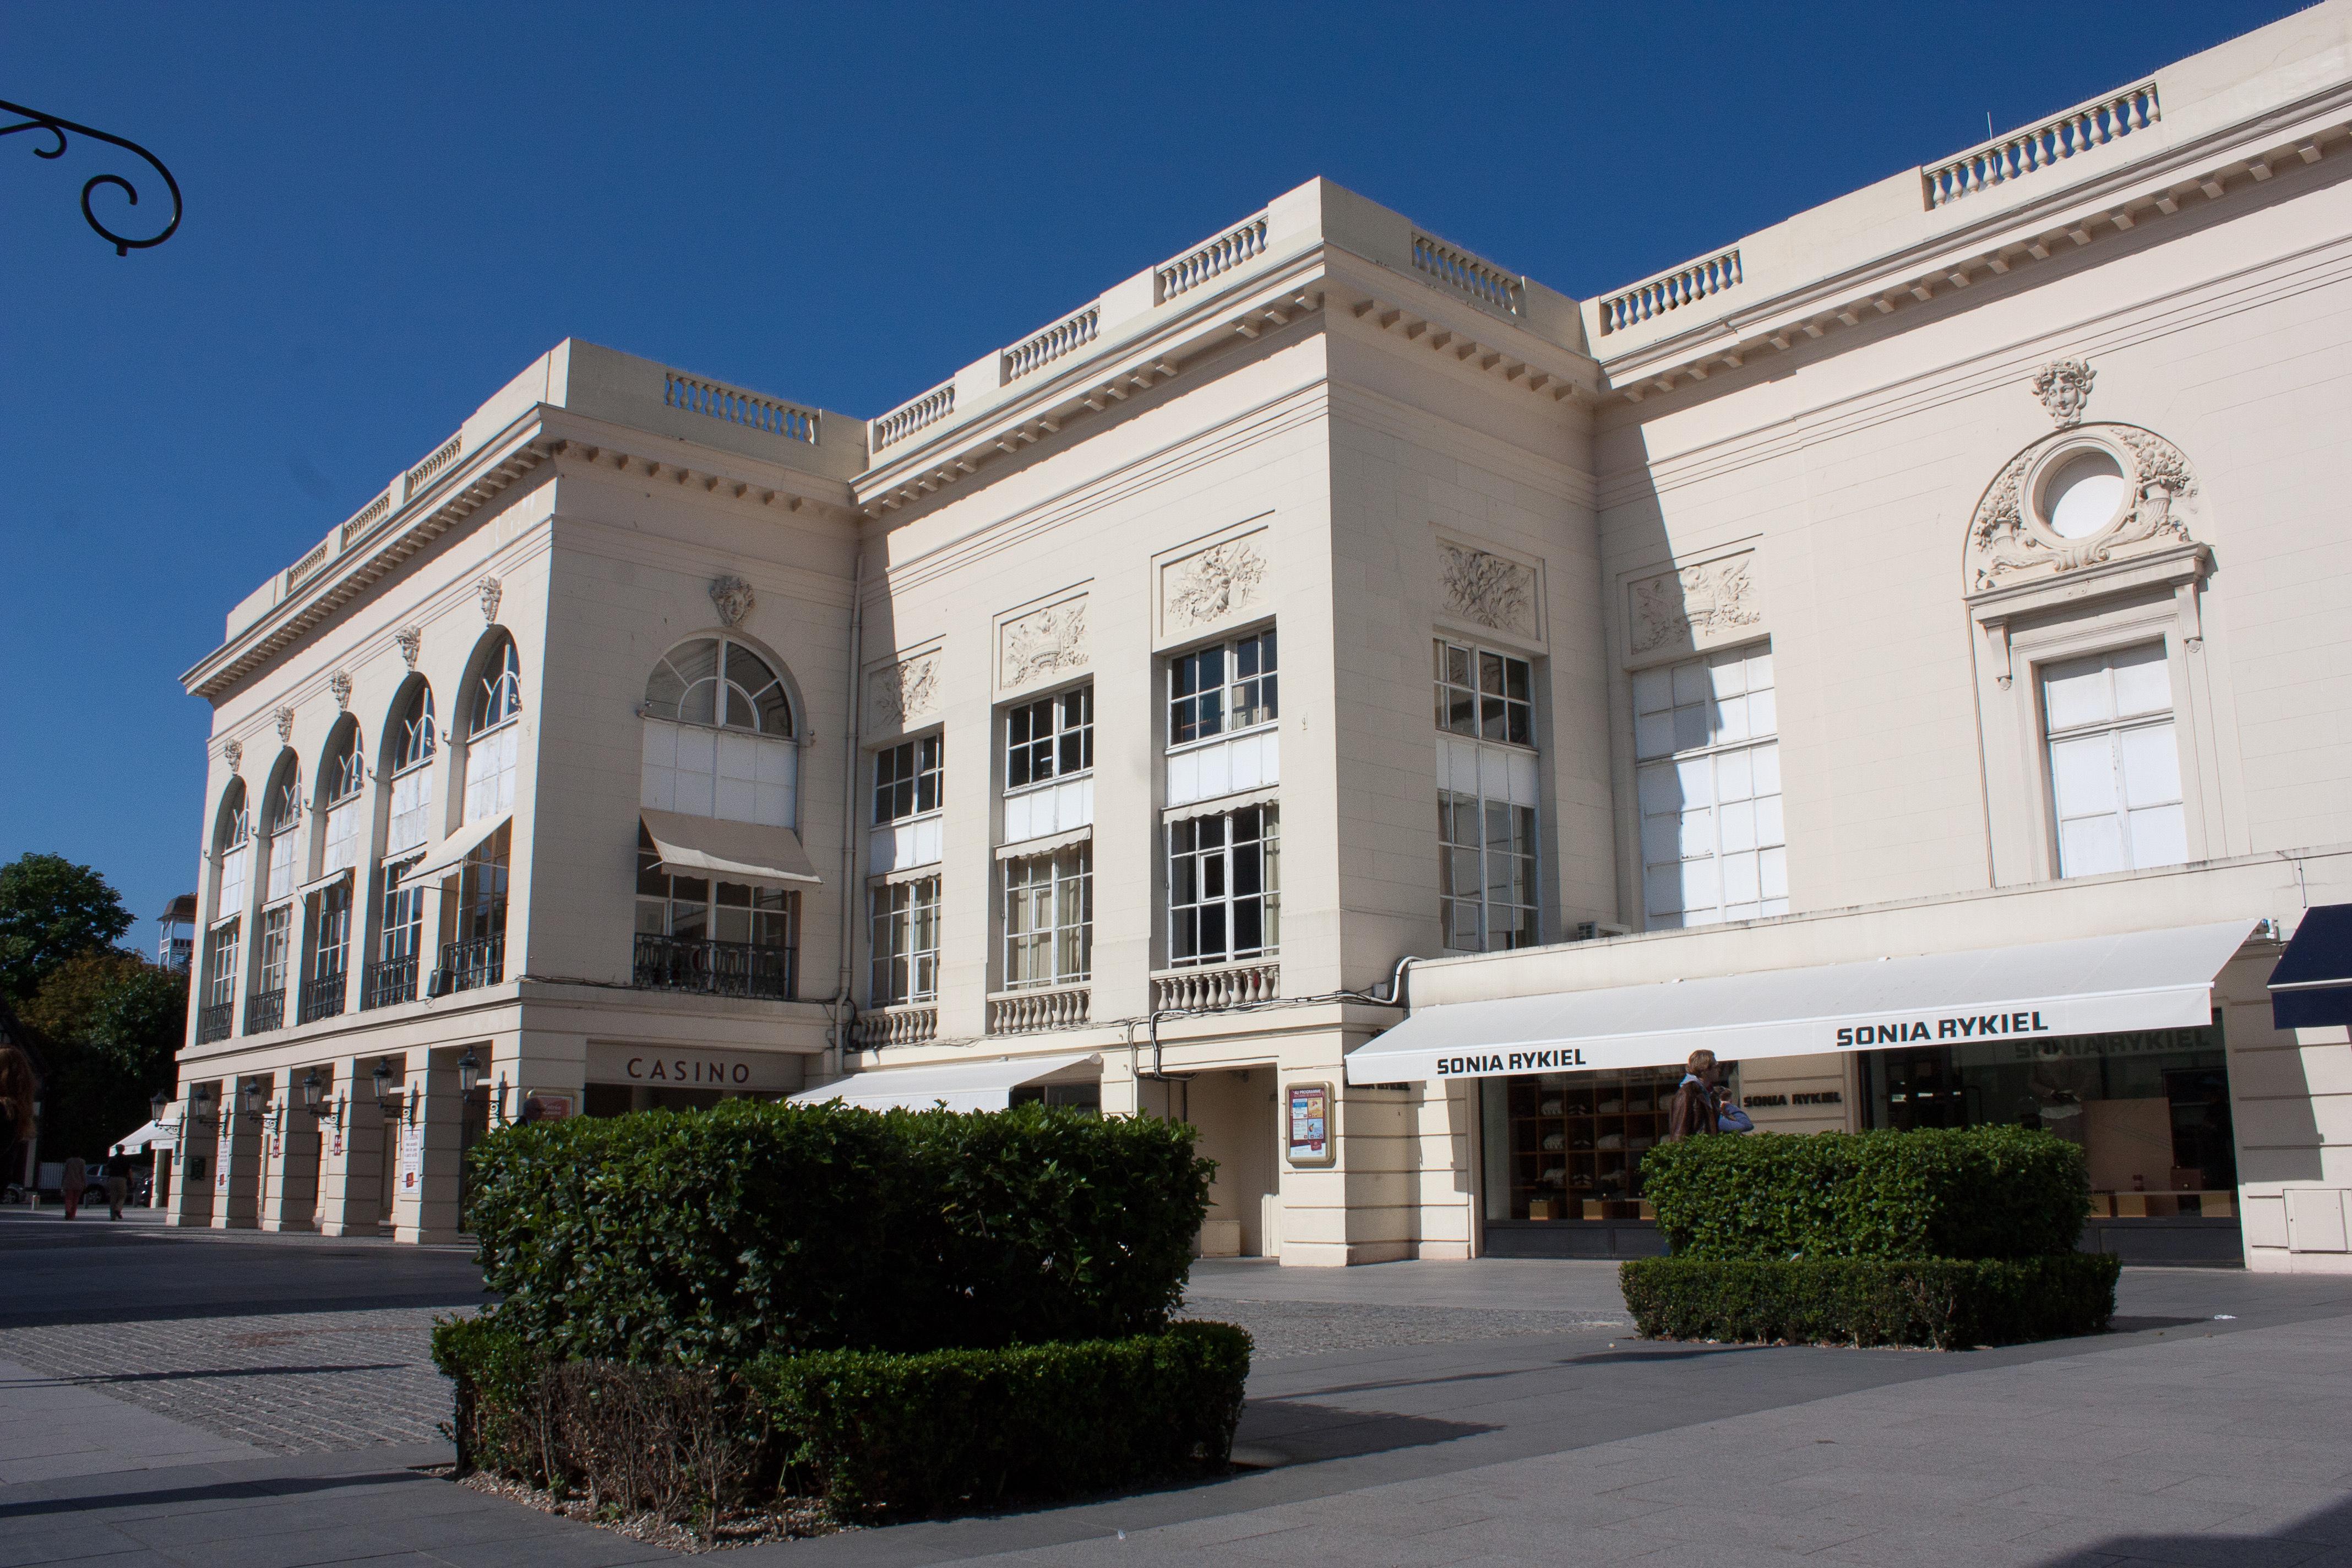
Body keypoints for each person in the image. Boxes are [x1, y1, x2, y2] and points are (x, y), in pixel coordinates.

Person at [1665, 1050, 1719, 1142]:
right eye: (1716, 1066)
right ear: (1705, 1069)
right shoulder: (1687, 1093)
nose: (1719, 1069)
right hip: (1696, 1154)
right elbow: (1679, 1135)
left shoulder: (1708, 1093)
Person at [102, 1150, 134, 1220]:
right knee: (122, 1196)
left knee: (113, 1197)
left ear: (116, 1150)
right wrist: (132, 1181)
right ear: (123, 1150)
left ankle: (113, 1217)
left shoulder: (112, 1159)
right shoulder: (126, 1159)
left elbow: (107, 1170)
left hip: (112, 1179)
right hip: (122, 1179)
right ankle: (118, 1209)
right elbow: (129, 1171)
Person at [60, 1153, 86, 1221]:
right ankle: (72, 1215)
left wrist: (63, 1182)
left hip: (69, 1182)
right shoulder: (82, 1162)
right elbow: (83, 1173)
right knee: (76, 1200)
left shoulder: (69, 1161)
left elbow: (65, 1172)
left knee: (69, 1199)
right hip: (78, 1183)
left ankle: (68, 1210)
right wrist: (85, 1183)